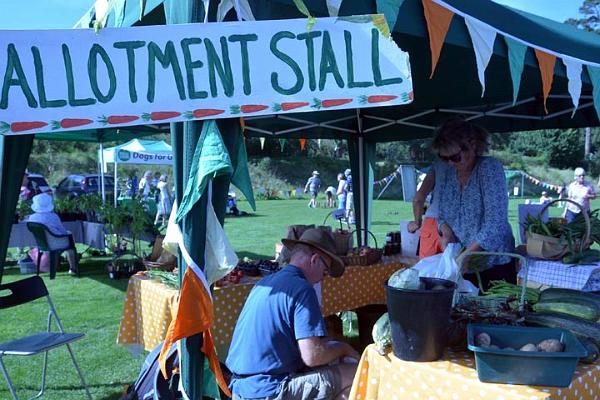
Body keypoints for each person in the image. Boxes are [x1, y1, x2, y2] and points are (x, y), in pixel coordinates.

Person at [226, 229, 359, 400]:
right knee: (354, 374)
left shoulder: (265, 283)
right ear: (315, 260)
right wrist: (343, 348)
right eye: (325, 272)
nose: (322, 279)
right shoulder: (302, 288)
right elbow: (312, 355)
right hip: (268, 390)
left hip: (241, 388)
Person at [432, 118, 515, 291]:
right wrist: (446, 232)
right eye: (443, 157)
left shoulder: (489, 169)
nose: (450, 163)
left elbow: (496, 222)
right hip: (463, 262)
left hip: (493, 265)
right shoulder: (448, 172)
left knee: (493, 314)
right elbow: (441, 213)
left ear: (472, 145)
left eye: (455, 157)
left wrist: (469, 254)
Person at [407, 160, 451, 258]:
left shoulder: (438, 166)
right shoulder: (469, 165)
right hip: (455, 225)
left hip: (432, 222)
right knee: (453, 269)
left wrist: (417, 223)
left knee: (425, 269)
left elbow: (418, 199)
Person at [27, 193, 79, 275]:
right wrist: (68, 234)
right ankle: (73, 268)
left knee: (67, 237)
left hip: (42, 244)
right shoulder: (53, 216)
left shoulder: (32, 218)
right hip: (56, 242)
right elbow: (63, 231)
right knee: (70, 241)